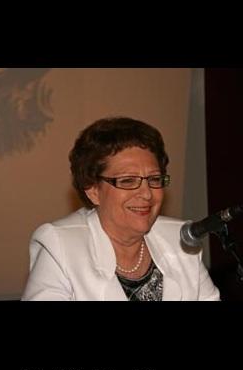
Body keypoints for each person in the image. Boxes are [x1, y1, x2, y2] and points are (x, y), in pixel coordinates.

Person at [21, 117, 220, 301]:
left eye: (154, 179)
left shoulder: (180, 240)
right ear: (93, 191)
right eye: (128, 181)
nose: (147, 194)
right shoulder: (60, 246)